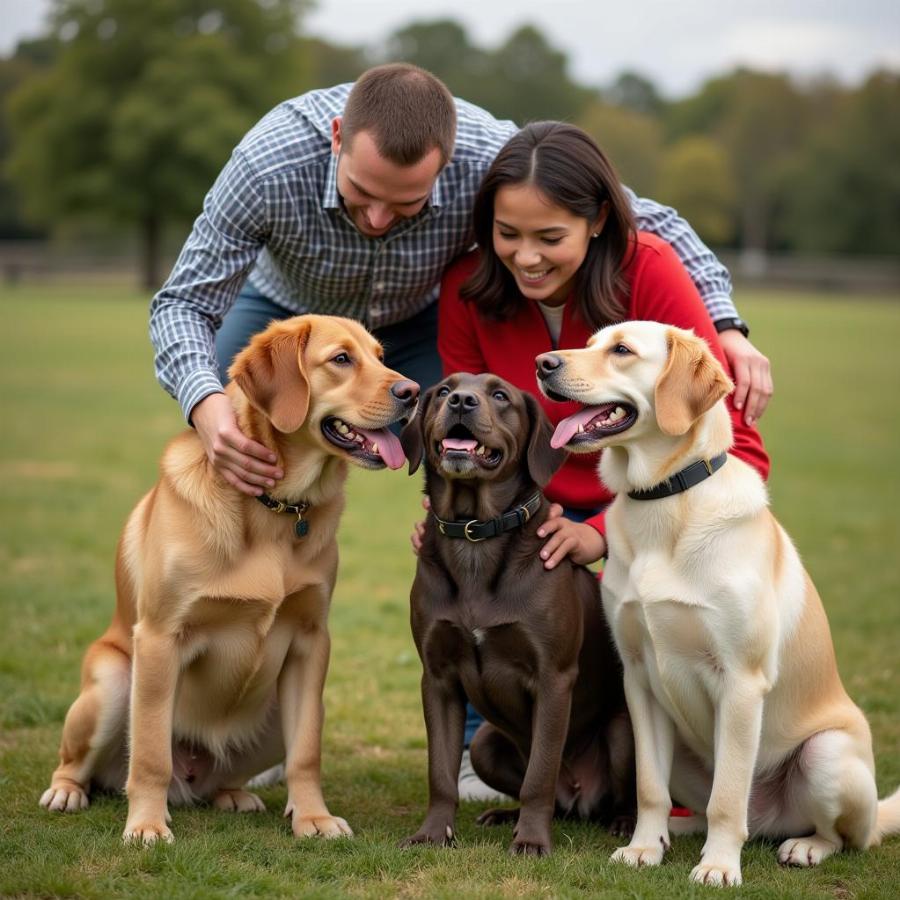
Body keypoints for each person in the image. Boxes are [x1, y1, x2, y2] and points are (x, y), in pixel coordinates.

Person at [149, 63, 772, 503]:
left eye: (407, 203)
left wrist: (725, 324)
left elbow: (649, 220)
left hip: (421, 317)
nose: (377, 220)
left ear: (449, 164)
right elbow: (182, 304)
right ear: (339, 138)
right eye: (361, 194)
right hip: (285, 307)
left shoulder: (489, 154)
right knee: (227, 433)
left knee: (467, 433)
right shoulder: (268, 164)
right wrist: (205, 407)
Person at [429, 121, 771, 796]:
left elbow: (737, 446)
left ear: (598, 223)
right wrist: (451, 514)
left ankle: (657, 755)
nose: (525, 257)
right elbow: (462, 439)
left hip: (641, 500)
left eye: (549, 237)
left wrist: (604, 534)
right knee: (475, 559)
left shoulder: (650, 272)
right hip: (531, 498)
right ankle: (487, 739)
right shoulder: (468, 286)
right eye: (507, 233)